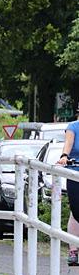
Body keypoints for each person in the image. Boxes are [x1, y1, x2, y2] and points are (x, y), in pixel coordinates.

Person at [56, 104, 79, 266]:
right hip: (75, 173)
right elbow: (68, 145)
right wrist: (65, 156)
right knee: (76, 212)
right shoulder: (73, 127)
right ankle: (73, 250)